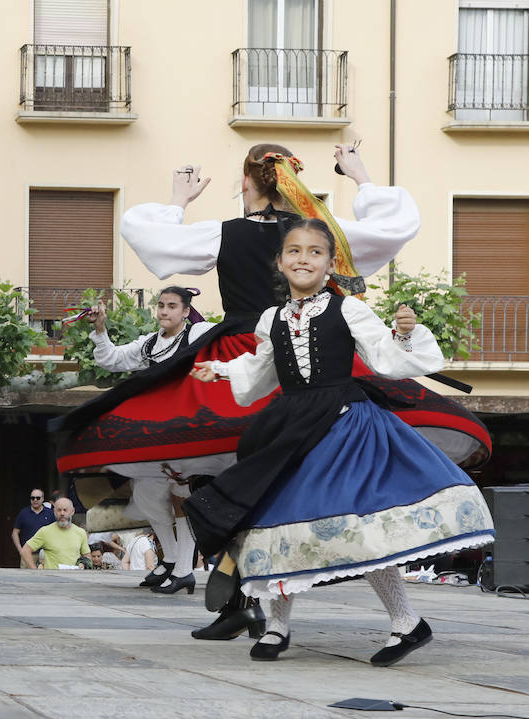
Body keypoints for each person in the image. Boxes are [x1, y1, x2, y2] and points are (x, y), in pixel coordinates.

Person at [50, 144, 492, 638]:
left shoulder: (230, 236)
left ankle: (263, 602)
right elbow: (393, 229)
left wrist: (178, 199)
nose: (303, 260)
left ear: (246, 184)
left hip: (297, 378)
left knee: (260, 488)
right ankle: (255, 606)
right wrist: (361, 177)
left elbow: (146, 232)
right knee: (260, 493)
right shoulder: (323, 238)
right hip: (271, 361)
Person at [188, 218, 494, 665]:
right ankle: (276, 626)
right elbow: (259, 372)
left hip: (343, 424)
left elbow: (387, 358)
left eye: (315, 252)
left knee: (361, 526)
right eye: (294, 250)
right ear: (280, 261)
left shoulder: (348, 309)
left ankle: (407, 622)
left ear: (331, 263)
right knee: (274, 524)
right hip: (290, 426)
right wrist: (219, 370)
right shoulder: (271, 318)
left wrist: (405, 333)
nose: (303, 258)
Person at [87, 286, 217, 595]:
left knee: (180, 494)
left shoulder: (198, 333)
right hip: (158, 430)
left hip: (188, 427)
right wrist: (100, 327)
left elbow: (229, 337)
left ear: (186, 311)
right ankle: (171, 560)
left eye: (172, 306)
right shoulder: (149, 344)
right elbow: (112, 359)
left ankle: (185, 569)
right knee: (146, 492)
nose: (164, 311)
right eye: (161, 305)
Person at [19, 498, 91, 570]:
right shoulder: (45, 531)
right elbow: (25, 551)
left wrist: (83, 564)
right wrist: (35, 572)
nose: (62, 513)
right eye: (59, 510)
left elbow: (87, 556)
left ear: (72, 511)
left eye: (65, 510)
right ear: (54, 512)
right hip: (52, 579)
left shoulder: (81, 532)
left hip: (74, 579)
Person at [11, 489, 56, 567]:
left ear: (42, 499)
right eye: (32, 498)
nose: (35, 500)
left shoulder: (50, 513)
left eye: (38, 498)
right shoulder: (23, 513)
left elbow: (56, 532)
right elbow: (15, 533)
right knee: (26, 578)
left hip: (46, 554)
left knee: (47, 578)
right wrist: (21, 550)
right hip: (27, 554)